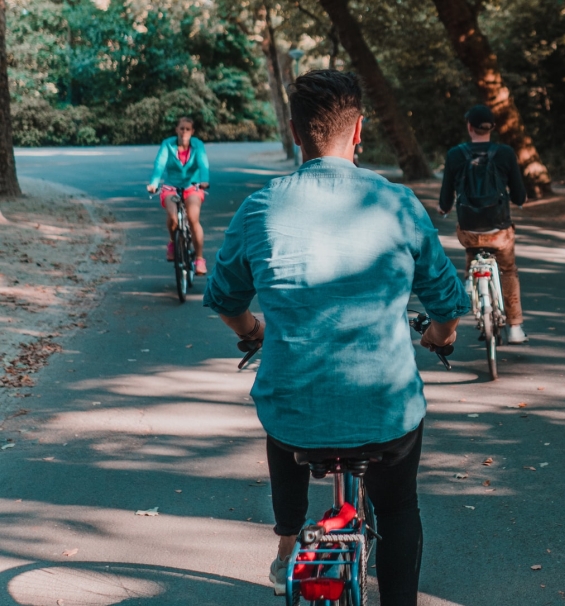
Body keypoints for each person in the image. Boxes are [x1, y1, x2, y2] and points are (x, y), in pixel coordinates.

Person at [203, 70, 468, 606]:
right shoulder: (397, 204)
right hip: (385, 413)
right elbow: (445, 302)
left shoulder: (260, 208)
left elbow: (226, 299)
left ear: (297, 134)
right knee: (397, 510)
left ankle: (287, 543)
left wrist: (253, 331)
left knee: (283, 418)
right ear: (360, 130)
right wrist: (441, 337)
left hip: (296, 417)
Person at [438, 104, 529, 343]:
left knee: (473, 248)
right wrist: (520, 200)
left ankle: (471, 282)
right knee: (508, 270)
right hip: (499, 231)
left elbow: (446, 198)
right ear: (493, 128)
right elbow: (519, 195)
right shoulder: (506, 153)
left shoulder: (456, 154)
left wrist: (444, 208)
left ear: (470, 127)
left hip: (468, 230)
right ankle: (515, 328)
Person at [146, 117, 210, 274]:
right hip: (171, 186)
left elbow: (203, 164)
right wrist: (154, 183)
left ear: (192, 132)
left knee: (193, 218)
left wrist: (204, 180)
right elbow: (159, 164)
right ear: (176, 130)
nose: (184, 132)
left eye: (188, 129)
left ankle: (200, 259)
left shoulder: (198, 145)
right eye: (182, 128)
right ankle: (172, 243)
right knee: (173, 217)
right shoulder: (168, 144)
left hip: (193, 186)